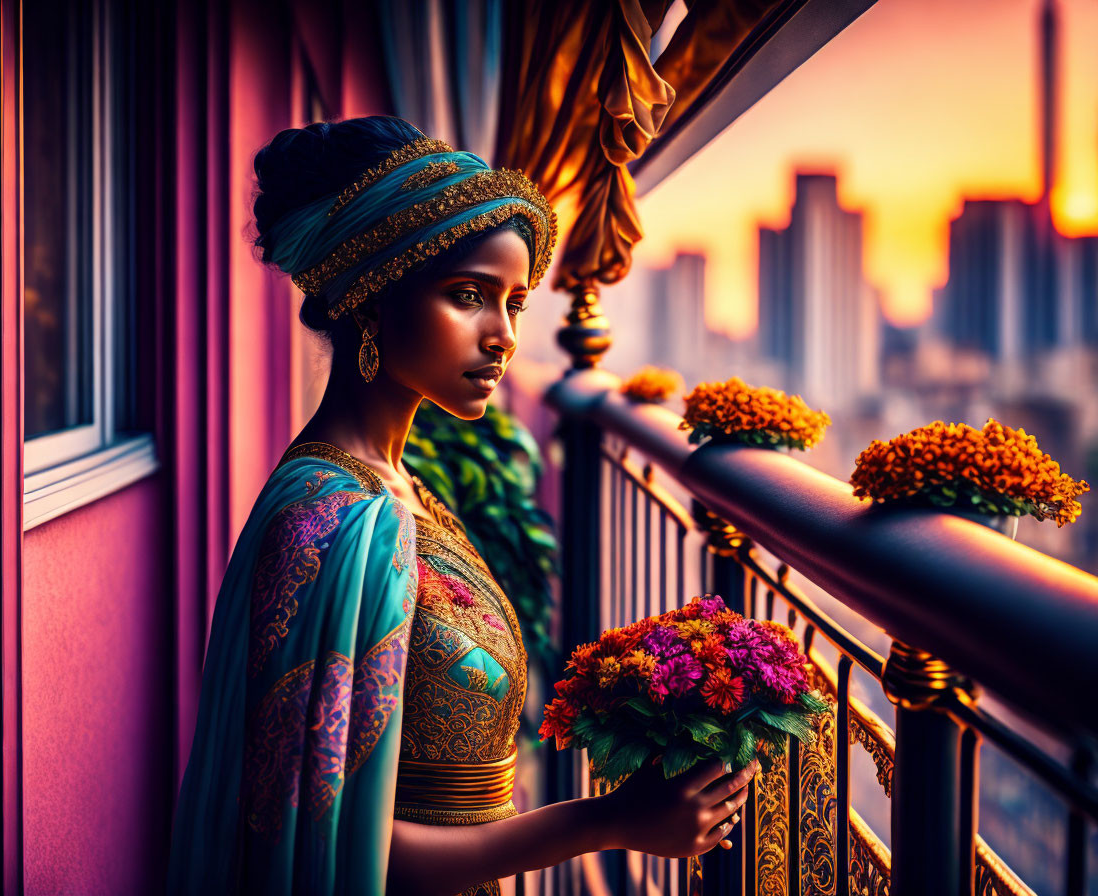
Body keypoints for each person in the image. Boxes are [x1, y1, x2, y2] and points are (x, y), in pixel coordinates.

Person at [165, 116, 757, 896]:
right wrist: (606, 823)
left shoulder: (396, 486)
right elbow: (340, 850)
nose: (503, 336)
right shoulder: (339, 522)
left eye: (512, 302)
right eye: (468, 296)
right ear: (369, 297)